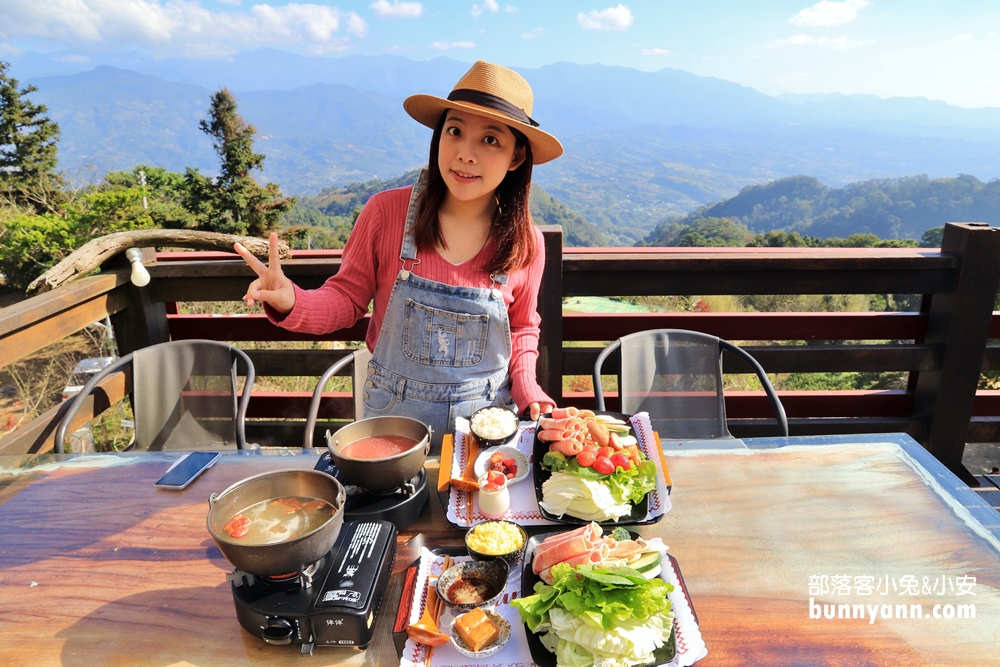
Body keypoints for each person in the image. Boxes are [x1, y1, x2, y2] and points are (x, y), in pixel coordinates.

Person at [234, 61, 563, 451]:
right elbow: (347, 300)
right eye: (455, 131)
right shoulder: (385, 213)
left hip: (486, 431)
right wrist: (293, 300)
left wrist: (530, 391)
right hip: (390, 431)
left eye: (490, 140)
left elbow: (523, 328)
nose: (465, 154)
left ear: (516, 157)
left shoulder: (526, 243)